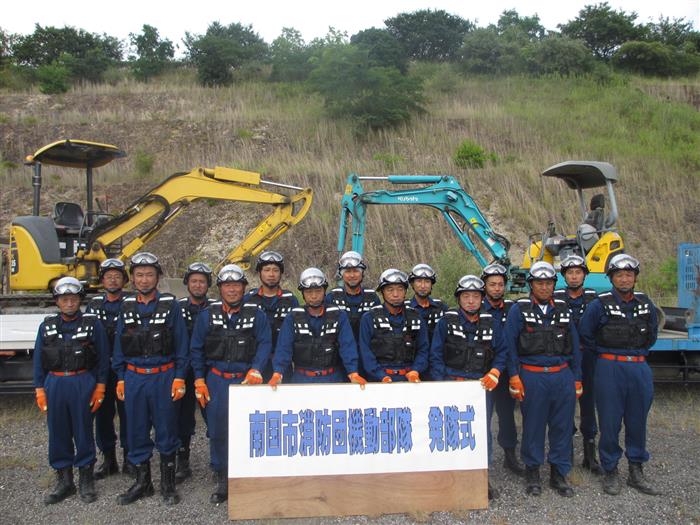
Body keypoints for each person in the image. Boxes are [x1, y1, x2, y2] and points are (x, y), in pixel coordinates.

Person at [189, 264, 272, 504]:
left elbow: (265, 343)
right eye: (227, 286)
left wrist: (256, 369)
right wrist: (199, 379)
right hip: (216, 381)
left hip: (246, 381)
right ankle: (222, 476)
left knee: (249, 430)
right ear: (220, 289)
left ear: (244, 288)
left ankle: (249, 474)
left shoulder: (256, 314)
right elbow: (196, 349)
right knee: (217, 431)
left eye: (236, 285)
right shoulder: (207, 315)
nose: (232, 290)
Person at [579, 254, 659, 496]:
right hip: (609, 368)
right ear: (611, 278)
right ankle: (610, 469)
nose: (624, 279)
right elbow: (586, 333)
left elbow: (652, 335)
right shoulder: (599, 305)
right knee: (610, 422)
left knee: (637, 421)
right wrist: (606, 354)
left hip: (639, 368)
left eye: (629, 274)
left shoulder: (645, 303)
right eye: (619, 275)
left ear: (635, 277)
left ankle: (636, 469)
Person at [112, 252, 189, 506]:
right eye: (139, 275)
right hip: (134, 377)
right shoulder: (126, 307)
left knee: (167, 428)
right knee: (136, 429)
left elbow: (182, 345)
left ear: (157, 278)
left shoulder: (170, 306)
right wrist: (121, 377)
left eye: (149, 275)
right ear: (133, 279)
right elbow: (119, 347)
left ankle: (168, 484)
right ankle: (143, 483)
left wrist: (179, 377)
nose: (144, 280)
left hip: (163, 376)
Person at [429, 274, 513, 500]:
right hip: (452, 385)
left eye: (475, 296)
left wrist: (495, 372)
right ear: (458, 298)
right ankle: (448, 478)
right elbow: (435, 355)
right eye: (466, 296)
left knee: (480, 432)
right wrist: (441, 384)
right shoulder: (446, 322)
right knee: (449, 433)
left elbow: (502, 351)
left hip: (480, 387)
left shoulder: (491, 323)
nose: (471, 301)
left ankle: (482, 477)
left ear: (481, 298)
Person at [504, 261, 582, 497]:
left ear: (554, 285)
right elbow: (509, 346)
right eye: (540, 283)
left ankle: (558, 474)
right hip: (532, 376)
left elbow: (575, 347)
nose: (545, 287)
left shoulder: (563, 309)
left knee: (562, 426)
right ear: (531, 285)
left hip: (561, 375)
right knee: (533, 426)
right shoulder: (519, 310)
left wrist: (577, 378)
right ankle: (533, 472)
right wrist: (514, 376)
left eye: (549, 283)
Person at [34, 277, 110, 504]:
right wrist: (39, 389)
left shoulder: (92, 324)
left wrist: (100, 386)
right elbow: (38, 361)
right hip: (55, 383)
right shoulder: (46, 326)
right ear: (57, 301)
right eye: (64, 299)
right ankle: (65, 481)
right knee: (58, 432)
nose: (69, 303)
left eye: (74, 299)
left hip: (82, 382)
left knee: (83, 430)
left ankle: (86, 479)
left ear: (80, 300)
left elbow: (103, 358)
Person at [269, 268, 366, 386]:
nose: (314, 296)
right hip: (301, 380)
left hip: (333, 379)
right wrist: (278, 373)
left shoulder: (339, 315)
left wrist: (353, 373)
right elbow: (283, 348)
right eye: (309, 292)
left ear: (324, 291)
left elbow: (347, 346)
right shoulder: (292, 317)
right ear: (303, 294)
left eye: (318, 291)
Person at [85, 258, 134, 480]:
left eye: (117, 276)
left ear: (124, 280)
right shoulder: (94, 305)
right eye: (108, 276)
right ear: (102, 280)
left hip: (125, 368)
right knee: (103, 415)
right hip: (101, 370)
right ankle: (108, 459)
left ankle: (130, 459)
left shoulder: (132, 303)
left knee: (128, 414)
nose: (113, 280)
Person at [554, 254, 602, 474]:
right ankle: (567, 452)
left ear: (584, 275)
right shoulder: (555, 298)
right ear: (564, 276)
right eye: (570, 273)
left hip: (589, 357)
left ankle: (590, 455)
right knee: (565, 404)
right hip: (564, 358)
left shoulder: (595, 299)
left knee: (589, 404)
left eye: (578, 272)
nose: (574, 276)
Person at [480, 262, 525, 477]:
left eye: (500, 284)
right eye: (492, 284)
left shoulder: (513, 309)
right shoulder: (476, 308)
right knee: (483, 417)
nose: (497, 288)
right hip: (484, 374)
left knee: (507, 416)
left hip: (507, 372)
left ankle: (510, 455)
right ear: (485, 286)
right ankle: (482, 460)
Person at [175, 262, 214, 483]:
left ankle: (218, 461)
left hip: (208, 370)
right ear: (187, 283)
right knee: (182, 417)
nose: (198, 285)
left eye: (202, 281)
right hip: (183, 370)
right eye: (194, 281)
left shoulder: (217, 307)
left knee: (213, 415)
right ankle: (183, 461)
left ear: (208, 285)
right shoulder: (177, 308)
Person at [358, 269, 430, 382]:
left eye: (400, 289)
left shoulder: (416, 317)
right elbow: (365, 352)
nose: (395, 294)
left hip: (410, 378)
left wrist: (416, 370)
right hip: (379, 379)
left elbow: (424, 349)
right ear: (382, 292)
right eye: (390, 290)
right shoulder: (369, 318)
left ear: (405, 291)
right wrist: (381, 376)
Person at [243, 251, 298, 379]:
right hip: (253, 364)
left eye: (275, 270)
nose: (271, 274)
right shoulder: (248, 300)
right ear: (259, 272)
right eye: (267, 270)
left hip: (282, 366)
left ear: (281, 273)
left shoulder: (290, 300)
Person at [326, 251, 381, 342]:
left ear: (362, 273)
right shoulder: (332, 298)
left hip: (366, 347)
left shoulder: (372, 298)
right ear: (341, 274)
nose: (352, 275)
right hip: (340, 348)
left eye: (356, 271)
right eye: (347, 271)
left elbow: (379, 331)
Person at [406, 263, 448, 342]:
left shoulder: (441, 308)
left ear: (432, 284)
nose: (423, 286)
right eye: (419, 281)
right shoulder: (405, 309)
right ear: (412, 284)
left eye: (427, 281)